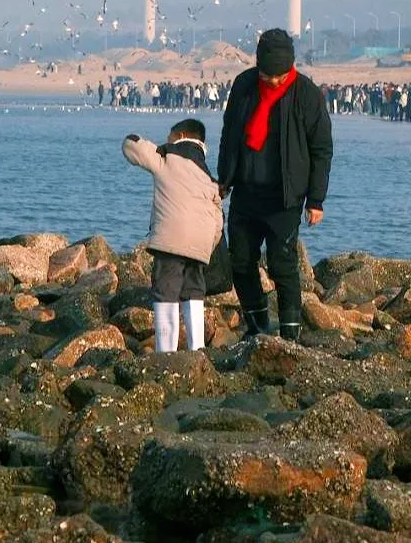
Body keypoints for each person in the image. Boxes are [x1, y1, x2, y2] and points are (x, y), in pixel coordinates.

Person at [217, 28, 333, 342]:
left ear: (289, 69)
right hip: (246, 193)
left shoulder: (307, 94)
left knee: (283, 267)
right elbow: (230, 134)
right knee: (240, 262)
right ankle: (257, 325)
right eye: (267, 75)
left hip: (285, 197)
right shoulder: (244, 85)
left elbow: (321, 149)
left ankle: (290, 337)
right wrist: (224, 179)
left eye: (278, 77)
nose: (272, 82)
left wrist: (316, 200)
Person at [122, 118, 223, 353]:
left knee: (166, 292)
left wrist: (162, 149)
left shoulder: (167, 159)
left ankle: (166, 353)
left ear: (180, 136)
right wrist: (208, 244)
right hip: (200, 244)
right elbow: (218, 219)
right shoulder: (207, 175)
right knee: (193, 292)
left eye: (169, 137)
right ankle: (197, 349)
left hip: (171, 240)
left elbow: (131, 145)